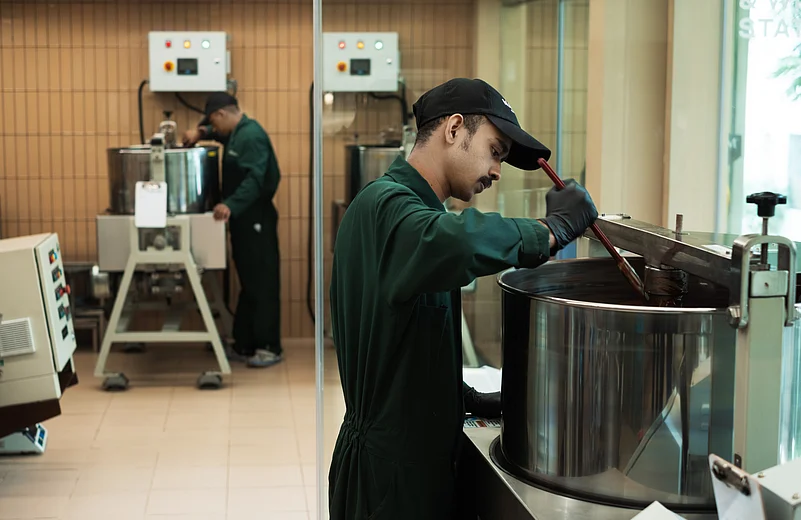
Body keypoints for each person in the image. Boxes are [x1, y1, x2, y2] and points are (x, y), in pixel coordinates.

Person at [327, 78, 599, 519]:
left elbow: (402, 349)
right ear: (454, 129)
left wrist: (464, 397)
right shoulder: (387, 206)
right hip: (389, 481)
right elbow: (454, 241)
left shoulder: (417, 215)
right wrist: (550, 231)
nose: (497, 171)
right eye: (495, 151)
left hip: (413, 465)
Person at [183, 92, 282, 368]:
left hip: (256, 218)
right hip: (243, 219)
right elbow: (218, 134)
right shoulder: (236, 134)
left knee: (262, 281)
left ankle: (269, 347)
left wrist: (230, 204)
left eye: (214, 122)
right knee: (249, 281)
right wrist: (202, 132)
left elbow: (256, 179)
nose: (214, 128)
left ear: (222, 114)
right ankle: (245, 343)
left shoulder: (251, 136)